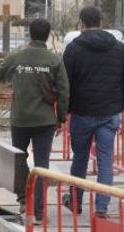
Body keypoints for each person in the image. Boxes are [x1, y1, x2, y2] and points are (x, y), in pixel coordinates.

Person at [0, 17, 69, 222]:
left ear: (30, 34)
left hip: (20, 120)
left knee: (19, 160)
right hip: (44, 122)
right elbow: (65, 92)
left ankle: (23, 201)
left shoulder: (17, 58)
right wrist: (60, 118)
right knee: (41, 165)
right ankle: (38, 212)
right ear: (48, 35)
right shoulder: (54, 60)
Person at [62, 6, 124, 218]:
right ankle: (101, 208)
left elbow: (65, 84)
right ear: (101, 21)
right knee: (106, 160)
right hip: (110, 112)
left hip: (82, 112)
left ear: (81, 23)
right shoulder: (119, 48)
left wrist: (65, 111)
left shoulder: (73, 48)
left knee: (79, 157)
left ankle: (75, 201)